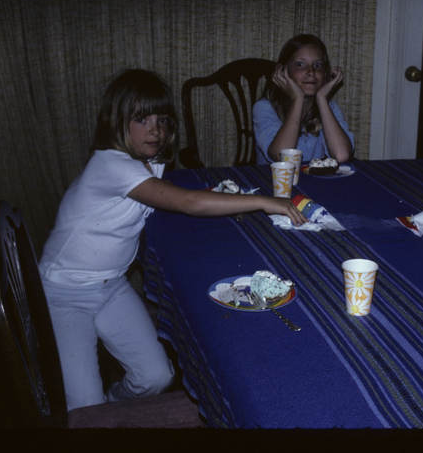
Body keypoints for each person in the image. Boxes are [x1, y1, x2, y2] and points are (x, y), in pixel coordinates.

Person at [39, 69, 306, 411]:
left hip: (111, 285)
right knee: (83, 406)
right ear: (116, 122)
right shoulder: (111, 163)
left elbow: (170, 193)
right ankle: (96, 413)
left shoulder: (149, 162)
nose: (155, 130)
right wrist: (264, 201)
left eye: (162, 119)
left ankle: (110, 407)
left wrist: (211, 196)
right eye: (141, 119)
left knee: (156, 376)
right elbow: (188, 202)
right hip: (64, 292)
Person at [253, 34, 354, 164]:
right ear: (281, 70)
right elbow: (281, 156)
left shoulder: (330, 109)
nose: (311, 72)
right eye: (300, 64)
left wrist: (322, 99)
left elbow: (341, 155)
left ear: (325, 73)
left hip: (312, 176)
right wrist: (297, 99)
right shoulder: (265, 107)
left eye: (318, 65)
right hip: (274, 177)